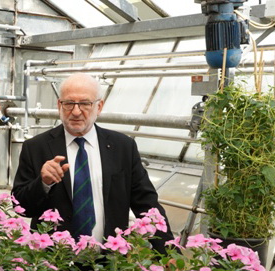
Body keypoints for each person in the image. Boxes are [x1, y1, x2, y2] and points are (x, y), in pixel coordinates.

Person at [12, 73, 173, 253]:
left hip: (109, 264)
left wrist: (169, 254)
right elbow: (21, 207)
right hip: (55, 265)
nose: (76, 111)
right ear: (59, 105)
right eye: (69, 103)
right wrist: (42, 183)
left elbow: (146, 204)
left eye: (85, 103)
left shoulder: (122, 147)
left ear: (99, 106)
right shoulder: (36, 147)